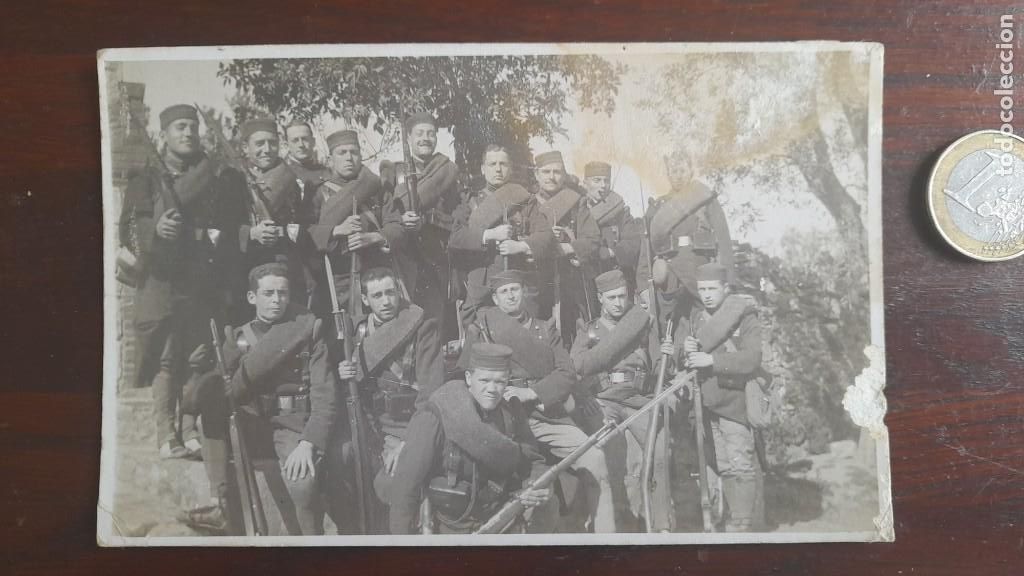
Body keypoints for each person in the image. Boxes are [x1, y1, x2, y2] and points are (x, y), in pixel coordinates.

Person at [120, 103, 247, 460]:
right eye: (180, 127)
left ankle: (189, 428)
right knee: (166, 357)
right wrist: (154, 230)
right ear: (164, 134)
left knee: (197, 356)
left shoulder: (214, 180)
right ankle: (166, 433)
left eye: (192, 126)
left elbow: (228, 222)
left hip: (201, 278)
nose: (188, 132)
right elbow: (128, 228)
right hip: (163, 280)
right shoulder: (145, 178)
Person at [181, 263, 337, 535]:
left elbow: (325, 393)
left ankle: (314, 544)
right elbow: (212, 388)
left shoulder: (309, 329)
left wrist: (309, 442)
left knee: (302, 486)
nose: (277, 300)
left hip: (292, 424)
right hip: (251, 425)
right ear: (252, 297)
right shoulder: (238, 338)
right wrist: (200, 379)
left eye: (282, 293)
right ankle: (219, 504)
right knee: (214, 409)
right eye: (268, 293)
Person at [459, 269, 615, 533]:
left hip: (545, 414)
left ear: (524, 292)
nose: (510, 296)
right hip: (504, 417)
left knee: (595, 457)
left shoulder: (546, 328)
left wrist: (532, 393)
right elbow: (469, 374)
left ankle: (606, 538)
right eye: (504, 292)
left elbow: (566, 372)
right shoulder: (483, 327)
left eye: (515, 290)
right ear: (495, 300)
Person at [386, 343, 558, 534]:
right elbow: (406, 485)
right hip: (449, 526)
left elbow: (533, 461)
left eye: (500, 382)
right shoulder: (439, 413)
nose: (492, 389)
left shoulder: (511, 410)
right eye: (484, 380)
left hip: (501, 517)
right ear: (469, 378)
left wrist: (535, 486)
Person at [329, 266, 445, 532]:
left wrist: (408, 441)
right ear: (366, 300)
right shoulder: (355, 333)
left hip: (409, 425)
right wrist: (343, 373)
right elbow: (346, 388)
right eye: (378, 295)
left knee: (393, 484)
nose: (386, 301)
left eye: (391, 293)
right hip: (370, 425)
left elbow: (431, 391)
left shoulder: (422, 327)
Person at [569, 269, 678, 531]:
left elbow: (659, 368)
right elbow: (574, 368)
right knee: (612, 454)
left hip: (639, 400)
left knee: (661, 451)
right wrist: (585, 396)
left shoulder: (643, 325)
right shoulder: (590, 329)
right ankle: (621, 522)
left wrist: (667, 355)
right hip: (605, 400)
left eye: (622, 296)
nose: (619, 303)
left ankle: (661, 525)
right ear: (600, 299)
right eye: (612, 298)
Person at [682, 263, 763, 532]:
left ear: (726, 289)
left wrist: (711, 360)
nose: (706, 295)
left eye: (712, 289)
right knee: (725, 466)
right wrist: (687, 348)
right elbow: (687, 359)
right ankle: (732, 521)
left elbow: (752, 359)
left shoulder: (744, 315)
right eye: (702, 289)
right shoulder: (696, 318)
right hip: (707, 402)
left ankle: (742, 524)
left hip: (735, 401)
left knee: (741, 464)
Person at [448, 144, 555, 329]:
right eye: (492, 164)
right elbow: (455, 237)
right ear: (483, 169)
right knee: (481, 341)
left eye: (503, 164)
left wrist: (520, 246)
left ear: (511, 168)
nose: (498, 169)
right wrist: (488, 234)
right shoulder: (469, 201)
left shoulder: (524, 200)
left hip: (518, 284)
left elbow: (546, 235)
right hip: (482, 286)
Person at [306, 129, 395, 320]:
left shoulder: (377, 189)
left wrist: (374, 237)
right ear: (331, 159)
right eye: (342, 153)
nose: (349, 158)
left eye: (354, 152)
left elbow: (395, 224)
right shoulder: (318, 193)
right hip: (338, 279)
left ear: (360, 155)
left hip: (377, 276)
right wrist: (337, 230)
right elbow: (306, 232)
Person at [387, 112, 460, 336]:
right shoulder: (393, 173)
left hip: (434, 258)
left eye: (430, 133)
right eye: (419, 134)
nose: (425, 138)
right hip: (403, 259)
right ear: (408, 138)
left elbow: (457, 216)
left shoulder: (446, 171)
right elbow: (385, 215)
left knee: (433, 326)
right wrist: (402, 221)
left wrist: (428, 219)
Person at [235, 118, 309, 307]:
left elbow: (303, 221)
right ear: (245, 147)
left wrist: (284, 232)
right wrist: (251, 233)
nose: (267, 149)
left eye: (272, 143)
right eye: (259, 144)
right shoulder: (232, 179)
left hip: (284, 265)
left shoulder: (288, 177)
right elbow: (224, 225)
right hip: (247, 265)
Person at [531, 151, 600, 345]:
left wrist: (565, 247)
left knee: (572, 332)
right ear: (536, 174)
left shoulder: (577, 203)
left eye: (557, 172)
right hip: (538, 278)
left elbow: (593, 239)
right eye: (546, 172)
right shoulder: (528, 203)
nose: (551, 177)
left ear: (564, 175)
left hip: (570, 279)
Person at [581, 161, 633, 276]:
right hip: (585, 274)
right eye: (597, 180)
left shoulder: (621, 212)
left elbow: (631, 242)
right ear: (585, 183)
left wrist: (608, 253)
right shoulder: (579, 209)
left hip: (613, 271)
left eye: (606, 181)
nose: (603, 185)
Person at [283, 121, 331, 202]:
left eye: (305, 139)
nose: (301, 145)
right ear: (286, 145)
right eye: (295, 140)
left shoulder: (327, 173)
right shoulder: (283, 175)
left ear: (313, 142)